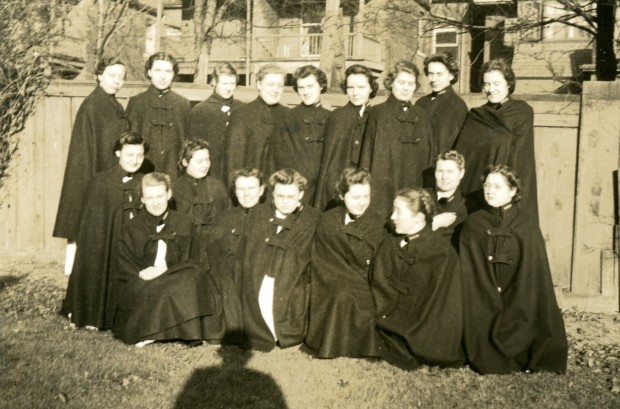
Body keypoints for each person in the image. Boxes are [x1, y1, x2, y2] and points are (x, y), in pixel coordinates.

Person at [459, 165, 567, 374]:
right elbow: (470, 271)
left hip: (519, 298)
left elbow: (534, 275)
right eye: (487, 185)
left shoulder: (526, 224)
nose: (490, 190)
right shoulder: (474, 223)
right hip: (483, 297)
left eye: (497, 186)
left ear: (512, 191)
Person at [112, 172, 213, 347]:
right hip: (144, 279)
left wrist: (164, 270)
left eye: (160, 196)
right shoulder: (132, 227)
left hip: (176, 276)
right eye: (150, 198)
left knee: (191, 278)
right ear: (142, 199)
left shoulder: (184, 222)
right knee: (147, 289)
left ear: (169, 194)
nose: (156, 202)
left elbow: (194, 259)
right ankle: (153, 331)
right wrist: (144, 274)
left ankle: (160, 331)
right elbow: (125, 262)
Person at [370, 187, 464, 370]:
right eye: (393, 210)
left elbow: (437, 307)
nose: (392, 217)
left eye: (398, 212)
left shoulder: (442, 254)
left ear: (419, 218)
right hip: (385, 314)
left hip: (417, 327)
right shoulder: (391, 241)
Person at [61, 132, 146, 330]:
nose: (135, 161)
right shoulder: (100, 182)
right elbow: (92, 227)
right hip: (105, 245)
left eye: (139, 156)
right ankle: (93, 313)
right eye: (129, 155)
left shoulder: (144, 181)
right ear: (118, 153)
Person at [53, 57, 130, 273]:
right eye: (112, 76)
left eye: (121, 77)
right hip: (96, 176)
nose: (117, 81)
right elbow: (86, 153)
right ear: (99, 76)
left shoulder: (110, 103)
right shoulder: (93, 106)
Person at [305, 168, 385, 358]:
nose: (362, 202)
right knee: (337, 292)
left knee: (349, 295)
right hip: (329, 276)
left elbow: (374, 260)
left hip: (363, 279)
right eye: (355, 197)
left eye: (366, 196)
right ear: (342, 195)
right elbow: (322, 257)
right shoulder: (328, 220)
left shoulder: (376, 222)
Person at [239, 168, 320, 351]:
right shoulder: (259, 214)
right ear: (272, 194)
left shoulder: (312, 219)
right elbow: (251, 252)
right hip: (262, 275)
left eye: (290, 197)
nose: (284, 202)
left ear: (301, 194)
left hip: (293, 278)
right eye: (279, 196)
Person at [453, 58, 538, 219]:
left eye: (496, 84)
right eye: (487, 84)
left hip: (505, 191)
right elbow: (463, 156)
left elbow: (521, 160)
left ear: (508, 84)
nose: (491, 89)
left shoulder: (522, 113)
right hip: (476, 190)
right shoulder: (475, 116)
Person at [360, 61, 434, 219]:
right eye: (401, 82)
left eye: (411, 83)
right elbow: (367, 155)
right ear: (391, 83)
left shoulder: (422, 116)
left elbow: (428, 157)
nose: (406, 88)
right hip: (383, 187)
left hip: (413, 183)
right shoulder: (378, 113)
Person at [205, 168, 266, 341]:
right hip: (229, 271)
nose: (246, 194)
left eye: (252, 188)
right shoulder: (224, 217)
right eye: (241, 189)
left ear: (261, 190)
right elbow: (214, 251)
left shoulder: (268, 216)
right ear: (235, 192)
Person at [315, 64, 378, 211]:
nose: (355, 93)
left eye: (361, 87)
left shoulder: (377, 115)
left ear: (371, 88)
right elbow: (329, 159)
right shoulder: (337, 116)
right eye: (350, 88)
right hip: (338, 183)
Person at [269, 65, 330, 205]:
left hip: (322, 190)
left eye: (310, 86)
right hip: (296, 189)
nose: (306, 92)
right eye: (301, 88)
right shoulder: (288, 117)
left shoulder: (331, 117)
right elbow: (278, 158)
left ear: (321, 86)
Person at [126, 52, 190, 179]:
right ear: (149, 72)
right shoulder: (137, 102)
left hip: (174, 172)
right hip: (143, 172)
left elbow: (186, 142)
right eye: (157, 70)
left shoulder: (183, 104)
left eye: (167, 71)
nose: (162, 76)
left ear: (174, 74)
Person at [224, 64, 288, 186]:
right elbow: (233, 162)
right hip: (250, 191)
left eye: (280, 85)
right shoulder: (241, 115)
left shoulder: (288, 115)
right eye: (270, 84)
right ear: (259, 85)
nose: (276, 90)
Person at [172, 139, 229, 263]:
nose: (205, 165)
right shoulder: (175, 188)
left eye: (207, 160)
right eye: (199, 161)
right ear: (185, 162)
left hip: (215, 247)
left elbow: (226, 218)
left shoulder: (217, 186)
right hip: (188, 250)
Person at [188, 63, 243, 182]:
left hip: (237, 173)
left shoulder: (243, 109)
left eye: (232, 84)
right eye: (224, 84)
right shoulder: (200, 111)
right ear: (214, 82)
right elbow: (193, 148)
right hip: (211, 173)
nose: (228, 88)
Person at [414, 52, 468, 153]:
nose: (434, 79)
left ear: (451, 75)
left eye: (439, 74)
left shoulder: (457, 105)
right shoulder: (420, 103)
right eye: (431, 74)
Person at [427, 150, 471, 249]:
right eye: (440, 171)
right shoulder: (419, 196)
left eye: (450, 171)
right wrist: (435, 222)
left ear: (461, 173)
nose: (444, 177)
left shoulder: (466, 207)